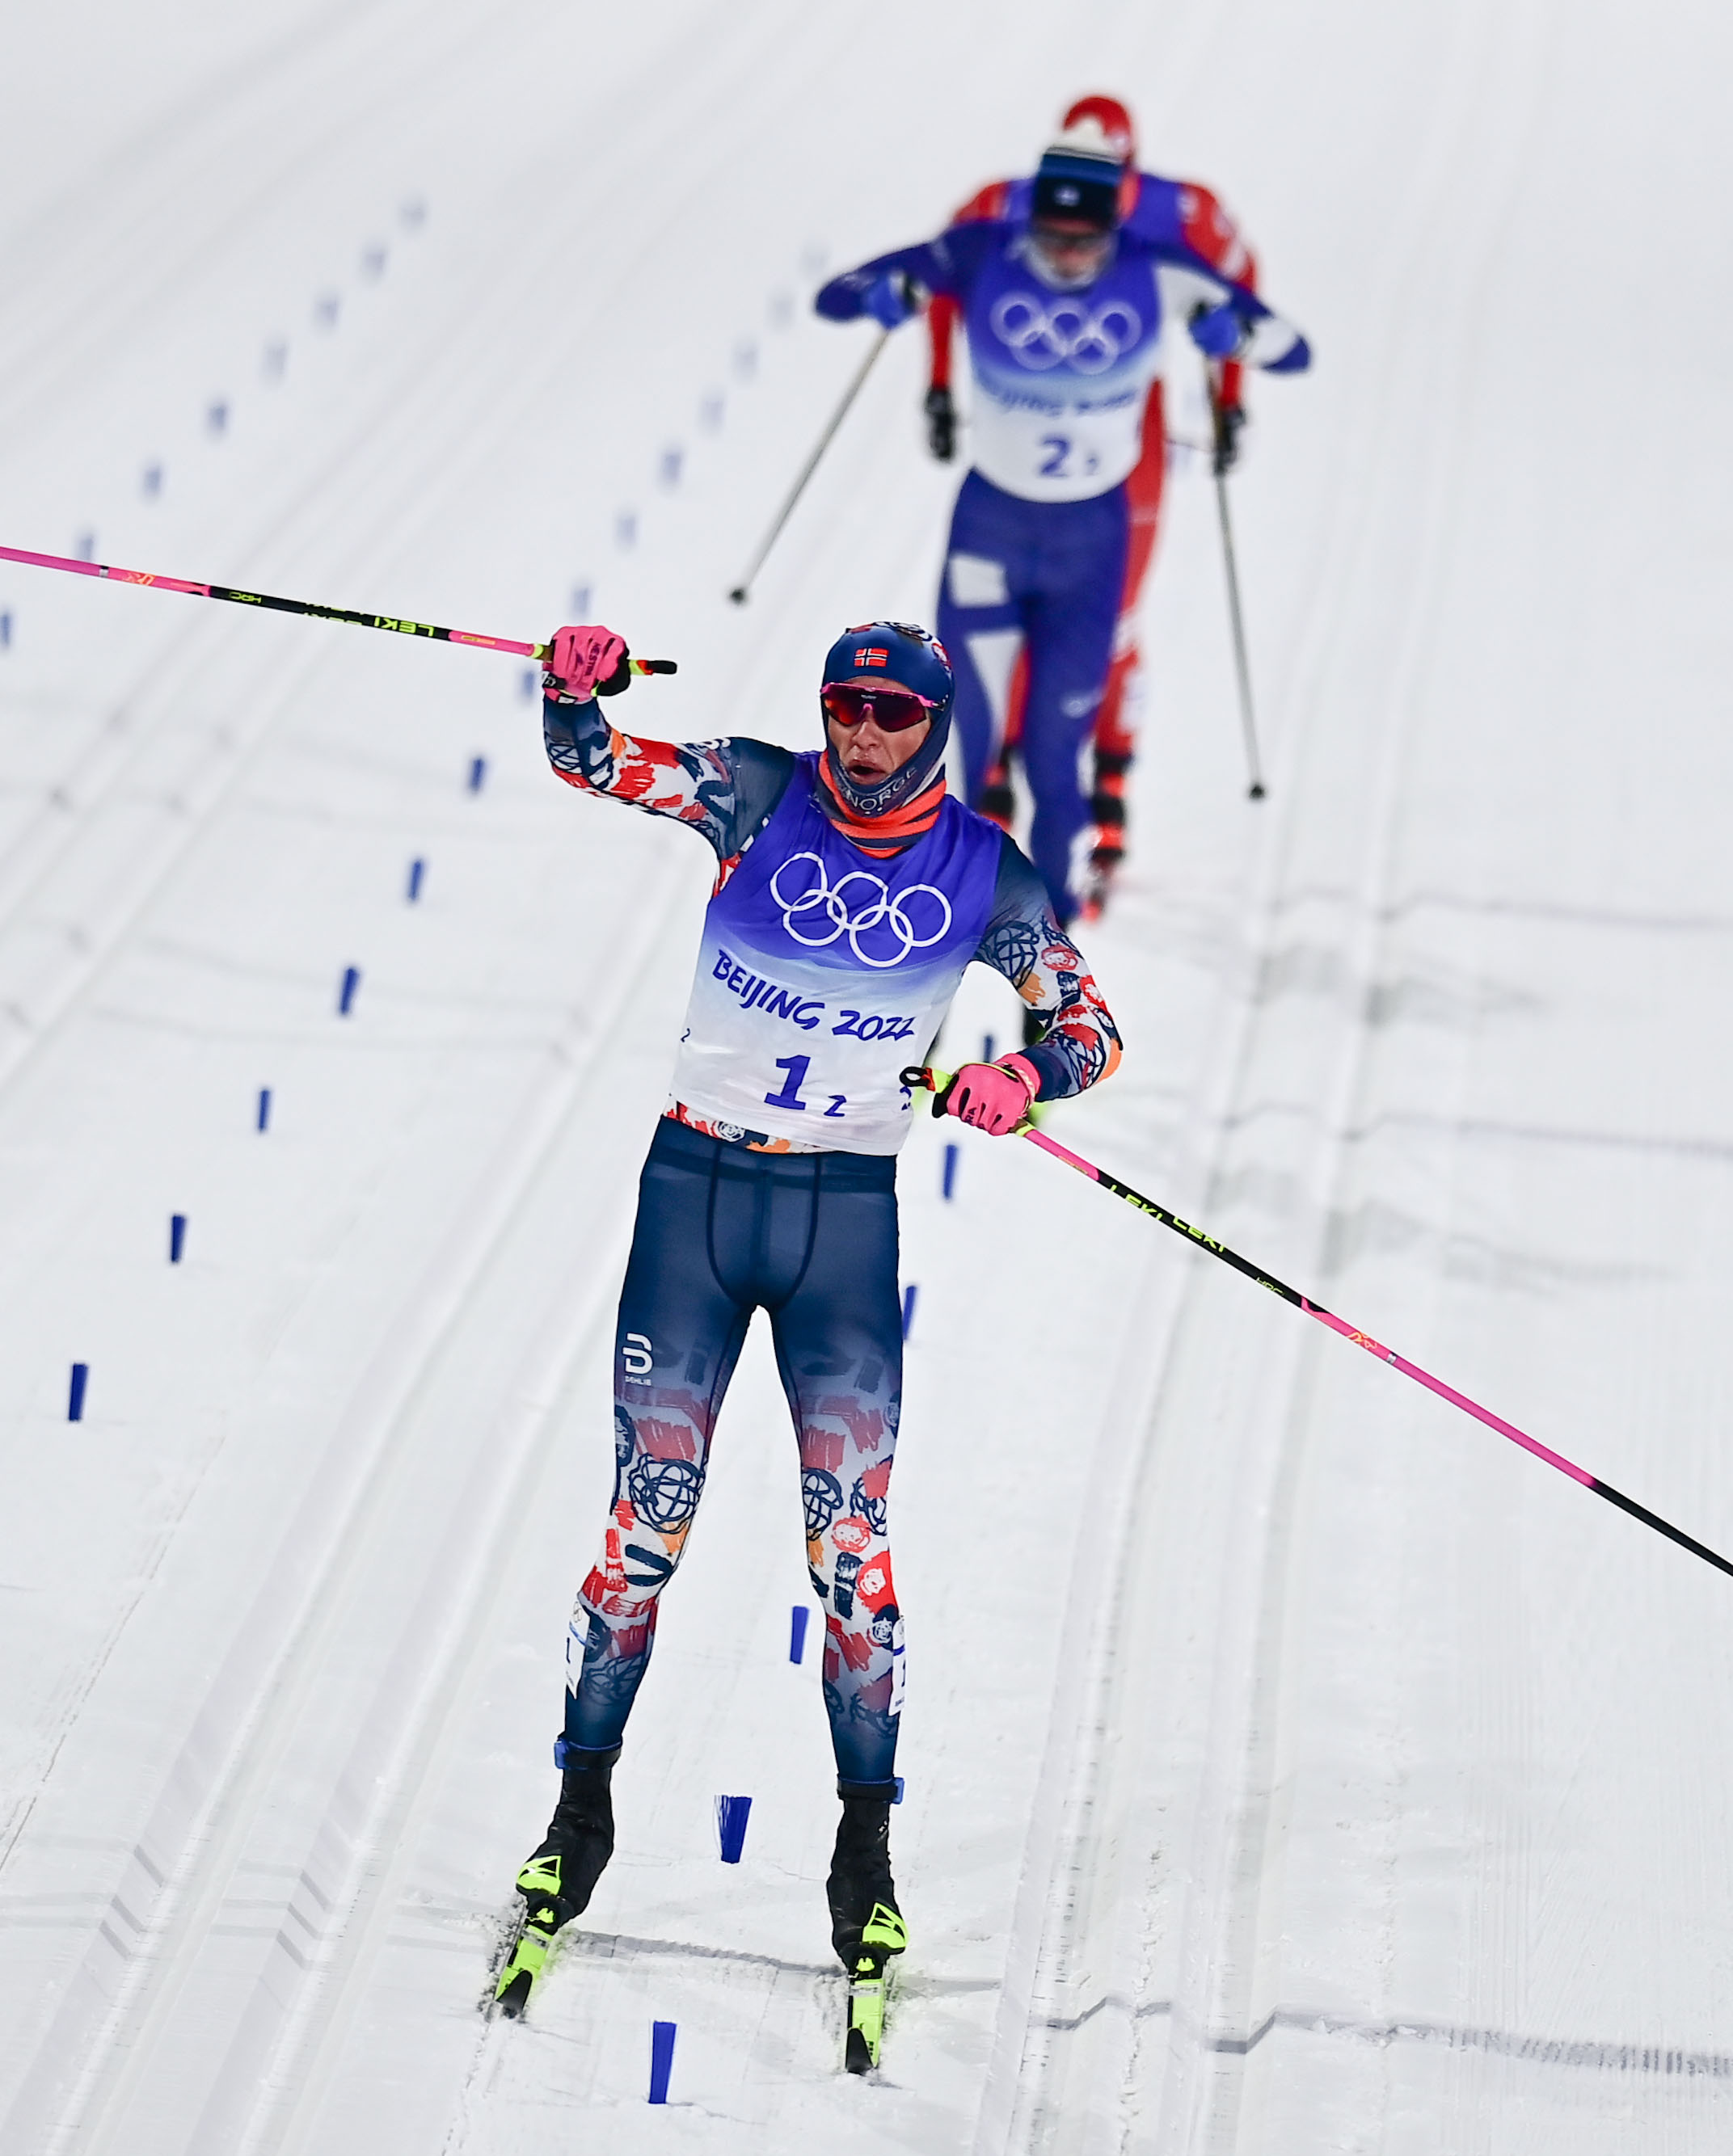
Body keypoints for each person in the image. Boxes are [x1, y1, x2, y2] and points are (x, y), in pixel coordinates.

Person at [495, 617, 1122, 2069]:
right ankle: (575, 1813)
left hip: (842, 1220)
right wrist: (571, 680)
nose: (859, 735)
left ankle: (863, 1853)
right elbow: (590, 761)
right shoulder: (752, 791)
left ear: (934, 726)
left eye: (890, 715)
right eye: (843, 708)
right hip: (694, 1198)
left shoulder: (986, 872)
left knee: (850, 1549)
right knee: (642, 1525)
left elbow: (1085, 1024)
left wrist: (1019, 1075)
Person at [816, 112, 1310, 933]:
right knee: (969, 750)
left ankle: (1050, 960)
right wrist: (892, 305)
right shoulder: (984, 244)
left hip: (1092, 534)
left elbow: (1287, 343)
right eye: (1053, 239)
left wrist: (1237, 355)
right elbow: (839, 297)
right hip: (990, 532)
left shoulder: (1159, 263)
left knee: (1054, 754)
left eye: (1088, 242)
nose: (1070, 259)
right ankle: (938, 941)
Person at [924, 95, 1276, 902]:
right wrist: (938, 387)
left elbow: (1237, 283)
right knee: (1004, 619)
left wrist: (1230, 393)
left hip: (1125, 440)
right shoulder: (1004, 205)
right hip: (1031, 436)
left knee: (1111, 615)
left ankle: (1106, 777)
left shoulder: (1178, 208)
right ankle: (1001, 769)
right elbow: (942, 277)